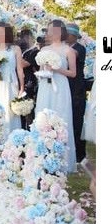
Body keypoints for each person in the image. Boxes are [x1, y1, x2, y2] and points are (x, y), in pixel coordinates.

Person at [34, 19, 77, 173]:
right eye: (49, 30)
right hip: (45, 87)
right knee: (43, 118)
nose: (50, 33)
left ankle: (62, 159)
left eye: (53, 30)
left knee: (61, 118)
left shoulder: (68, 50)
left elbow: (73, 73)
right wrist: (44, 71)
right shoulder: (44, 50)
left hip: (60, 88)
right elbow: (40, 69)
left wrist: (57, 69)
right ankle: (42, 156)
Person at [0, 22, 24, 135]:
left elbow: (19, 69)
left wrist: (22, 87)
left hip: (11, 83)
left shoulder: (15, 49)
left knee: (10, 111)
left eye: (1, 32)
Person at [66, 22, 88, 168]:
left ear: (73, 36)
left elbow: (72, 55)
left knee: (77, 120)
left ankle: (80, 154)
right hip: (66, 86)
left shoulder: (79, 49)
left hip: (77, 89)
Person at [19, 28, 39, 130]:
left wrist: (16, 55)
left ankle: (30, 130)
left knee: (29, 109)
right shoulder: (23, 51)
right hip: (21, 82)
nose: (23, 40)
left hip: (30, 83)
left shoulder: (34, 51)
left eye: (25, 37)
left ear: (31, 37)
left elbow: (23, 64)